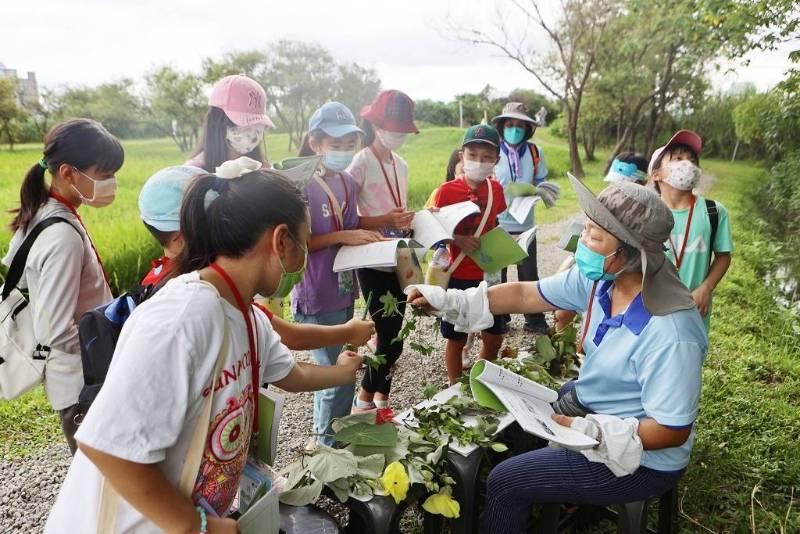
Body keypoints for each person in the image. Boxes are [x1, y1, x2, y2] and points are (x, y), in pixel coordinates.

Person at [46, 166, 364, 534]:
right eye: (303, 243)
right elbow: (109, 449)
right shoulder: (182, 318)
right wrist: (198, 527)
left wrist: (343, 370)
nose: (301, 258)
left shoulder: (246, 315)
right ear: (280, 241)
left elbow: (291, 374)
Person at [408, 176, 707, 533]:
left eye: (595, 236)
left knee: (505, 482)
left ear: (629, 253)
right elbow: (524, 295)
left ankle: (520, 499)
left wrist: (592, 431)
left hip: (643, 458)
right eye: (587, 229)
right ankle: (546, 499)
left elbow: (671, 430)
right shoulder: (601, 281)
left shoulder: (671, 332)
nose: (583, 241)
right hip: (598, 404)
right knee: (519, 418)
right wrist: (453, 301)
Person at [137, 162, 375, 352]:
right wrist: (347, 332)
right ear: (182, 234)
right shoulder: (200, 293)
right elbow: (289, 335)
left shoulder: (192, 277)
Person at [3, 119, 124, 455]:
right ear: (69, 173)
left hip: (81, 379)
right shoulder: (61, 236)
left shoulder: (45, 212)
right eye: (104, 175)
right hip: (83, 385)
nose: (112, 184)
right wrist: (108, 352)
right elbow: (56, 330)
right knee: (103, 482)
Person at [293, 102, 384, 444]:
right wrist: (344, 236)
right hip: (316, 291)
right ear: (315, 143)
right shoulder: (300, 183)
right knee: (337, 375)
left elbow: (352, 226)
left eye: (350, 145)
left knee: (342, 366)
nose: (344, 152)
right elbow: (299, 245)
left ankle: (327, 438)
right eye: (336, 144)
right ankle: (327, 447)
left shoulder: (346, 182)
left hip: (345, 286)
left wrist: (383, 226)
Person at [346, 89, 418, 411]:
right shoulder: (359, 163)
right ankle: (363, 401)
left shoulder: (401, 165)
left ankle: (381, 399)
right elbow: (348, 218)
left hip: (400, 255)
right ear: (376, 124)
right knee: (387, 335)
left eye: (403, 130)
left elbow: (398, 208)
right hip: (371, 258)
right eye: (393, 128)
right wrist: (384, 220)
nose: (398, 135)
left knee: (397, 330)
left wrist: (404, 221)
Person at [432, 125, 507, 384]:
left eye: (486, 157)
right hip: (459, 274)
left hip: (490, 273)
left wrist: (505, 246)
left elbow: (494, 224)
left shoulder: (496, 189)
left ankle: (482, 379)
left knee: (495, 333)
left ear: (496, 160)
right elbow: (433, 235)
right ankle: (454, 386)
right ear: (461, 156)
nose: (479, 162)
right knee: (456, 336)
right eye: (472, 155)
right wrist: (458, 240)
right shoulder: (446, 192)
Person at [553, 152, 651, 331]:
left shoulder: (649, 215)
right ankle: (560, 342)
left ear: (642, 184)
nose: (617, 190)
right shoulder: (607, 201)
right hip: (597, 263)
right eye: (614, 184)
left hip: (618, 273)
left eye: (624, 185)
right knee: (562, 312)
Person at [648, 130, 733, 330]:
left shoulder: (713, 212)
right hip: (651, 310)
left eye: (692, 160)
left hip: (693, 312)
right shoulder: (646, 212)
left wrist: (706, 287)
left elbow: (723, 256)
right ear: (656, 174)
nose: (687, 164)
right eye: (677, 158)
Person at [492, 102, 555, 334]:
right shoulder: (494, 150)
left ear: (528, 129)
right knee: (498, 274)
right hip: (497, 224)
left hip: (526, 222)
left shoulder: (535, 152)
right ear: (502, 126)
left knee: (529, 274)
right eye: (510, 125)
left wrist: (538, 191)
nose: (515, 129)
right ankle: (499, 317)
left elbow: (541, 180)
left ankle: (535, 319)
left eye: (520, 125)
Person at [186, 74, 274, 172]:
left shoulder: (263, 169)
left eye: (258, 125)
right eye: (243, 124)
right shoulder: (192, 174)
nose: (252, 134)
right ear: (217, 122)